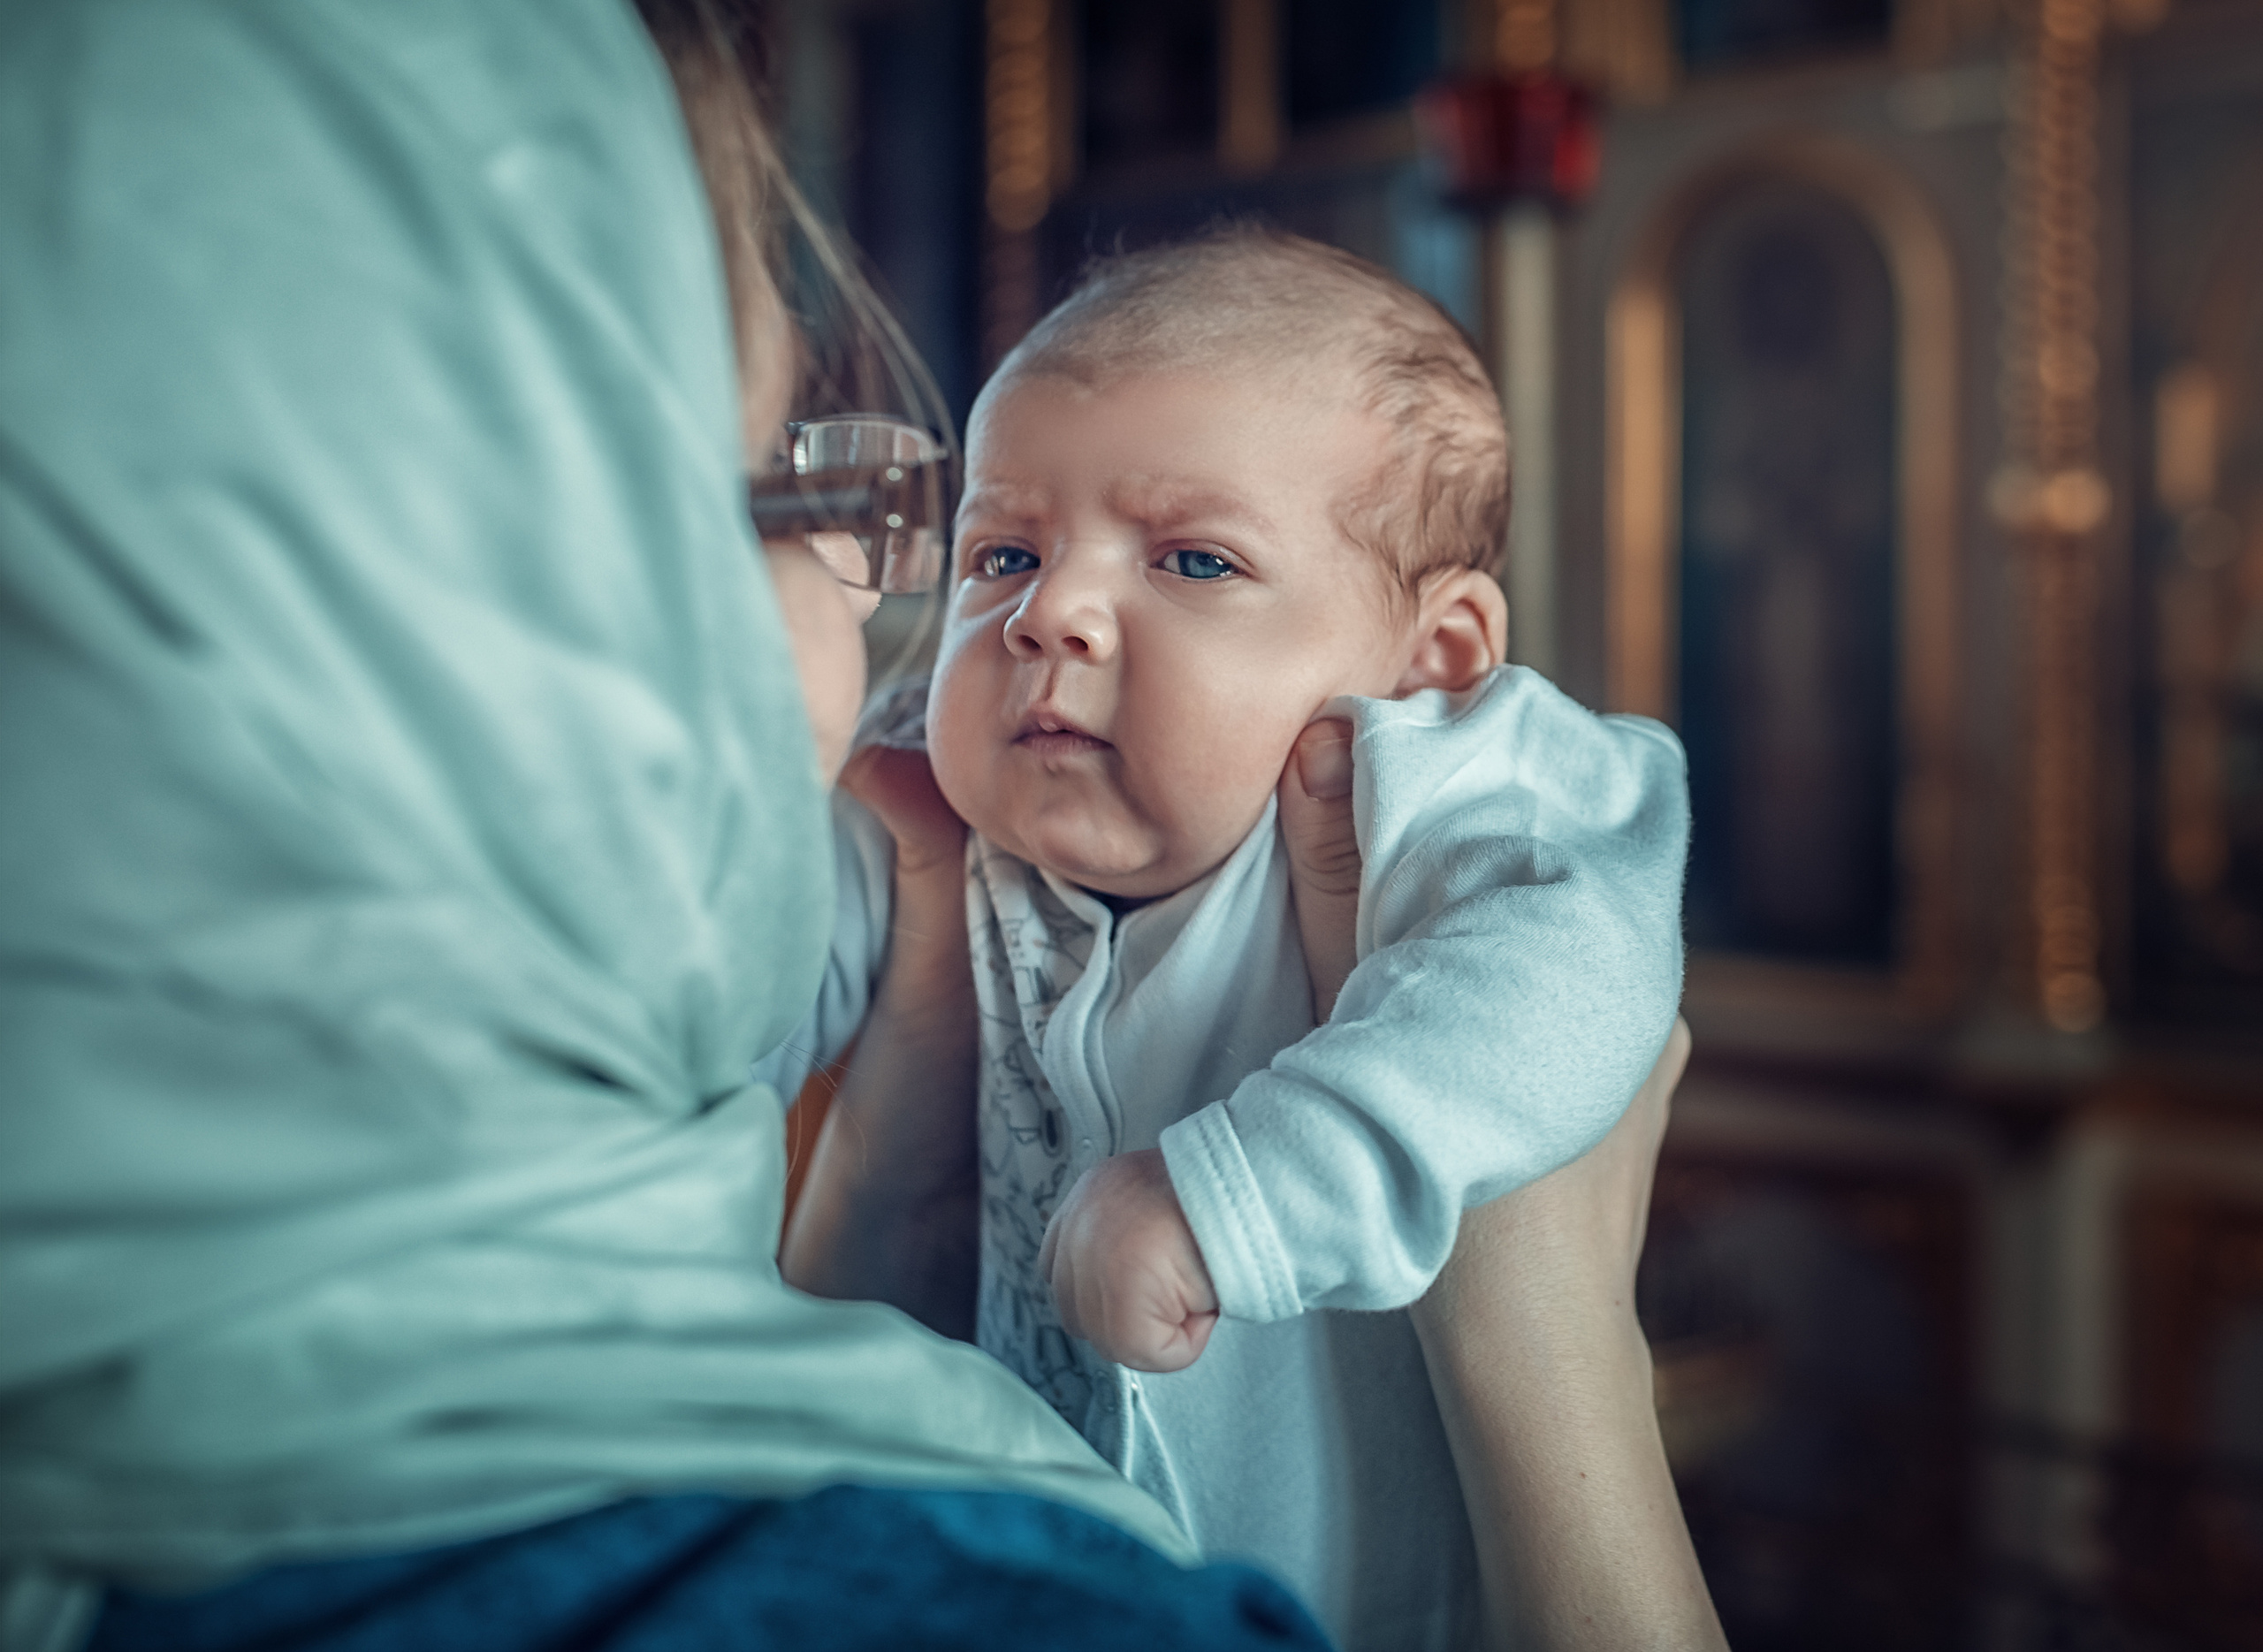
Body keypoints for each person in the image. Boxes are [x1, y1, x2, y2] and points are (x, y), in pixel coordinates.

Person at [766, 230, 1700, 1649]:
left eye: (1194, 558)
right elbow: (734, 978)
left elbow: (1577, 977)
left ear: (1432, 658)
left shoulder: (1438, 789)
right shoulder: (937, 800)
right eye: (1004, 551)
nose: (1049, 613)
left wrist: (1236, 1195)